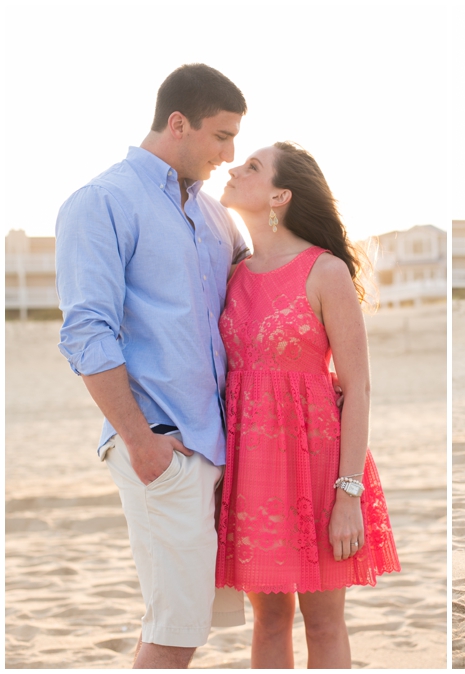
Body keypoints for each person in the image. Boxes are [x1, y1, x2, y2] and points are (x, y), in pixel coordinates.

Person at [56, 63, 250, 668]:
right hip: (161, 446)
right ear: (178, 123)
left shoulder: (219, 218)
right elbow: (87, 332)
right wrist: (142, 443)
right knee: (174, 631)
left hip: (220, 451)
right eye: (221, 136)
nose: (230, 153)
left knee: (183, 625)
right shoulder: (101, 202)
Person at [215, 141, 401, 668]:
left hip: (321, 471)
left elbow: (358, 388)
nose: (234, 167)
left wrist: (348, 497)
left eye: (251, 166)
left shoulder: (325, 272)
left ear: (280, 195)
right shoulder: (234, 275)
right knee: (269, 622)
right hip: (252, 471)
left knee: (322, 622)